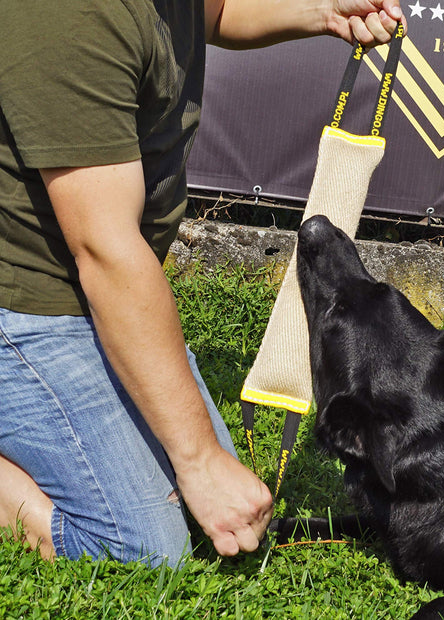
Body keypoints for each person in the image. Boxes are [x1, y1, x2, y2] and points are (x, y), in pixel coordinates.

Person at [0, 0, 405, 567]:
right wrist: (199, 460)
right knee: (144, 548)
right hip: (28, 305)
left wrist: (321, 11)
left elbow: (216, 12)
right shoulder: (69, 13)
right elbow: (105, 252)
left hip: (93, 291)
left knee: (200, 517)